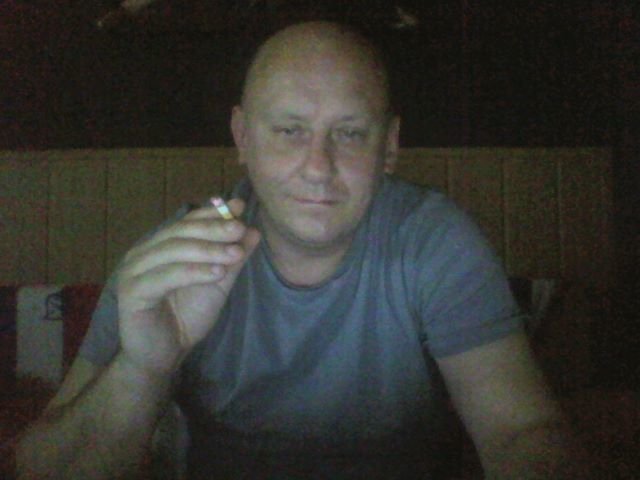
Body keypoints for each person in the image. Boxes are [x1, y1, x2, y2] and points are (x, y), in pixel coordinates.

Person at [17, 21, 579, 479]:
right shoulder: (172, 262)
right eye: (289, 130)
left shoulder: (435, 240)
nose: (318, 167)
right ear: (243, 138)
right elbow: (41, 469)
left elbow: (520, 433)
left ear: (389, 147)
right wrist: (145, 366)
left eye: (350, 133)